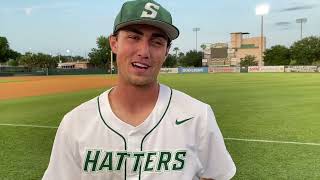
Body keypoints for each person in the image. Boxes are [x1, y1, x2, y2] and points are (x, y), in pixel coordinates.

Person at [42, 0, 236, 179]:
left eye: (157, 42)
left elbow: (216, 175)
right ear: (114, 43)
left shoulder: (197, 116)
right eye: (134, 37)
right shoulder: (75, 123)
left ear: (166, 51)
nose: (144, 51)